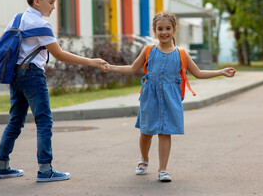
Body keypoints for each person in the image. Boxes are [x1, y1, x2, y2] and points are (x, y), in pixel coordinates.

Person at [0, 0, 107, 182]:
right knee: (44, 121)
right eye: (51, 2)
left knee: (16, 120)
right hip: (33, 75)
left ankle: (1, 165)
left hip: (15, 74)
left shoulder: (17, 19)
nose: (53, 7)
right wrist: (92, 62)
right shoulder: (41, 24)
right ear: (37, 1)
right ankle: (45, 170)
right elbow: (59, 54)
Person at [99, 12, 236, 182]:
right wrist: (111, 67)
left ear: (174, 29)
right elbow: (132, 69)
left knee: (165, 133)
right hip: (150, 97)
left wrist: (221, 72)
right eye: (160, 29)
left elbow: (198, 73)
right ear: (154, 30)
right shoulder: (148, 50)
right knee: (146, 132)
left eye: (168, 28)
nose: (164, 32)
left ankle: (163, 169)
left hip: (171, 98)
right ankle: (144, 159)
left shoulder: (181, 53)